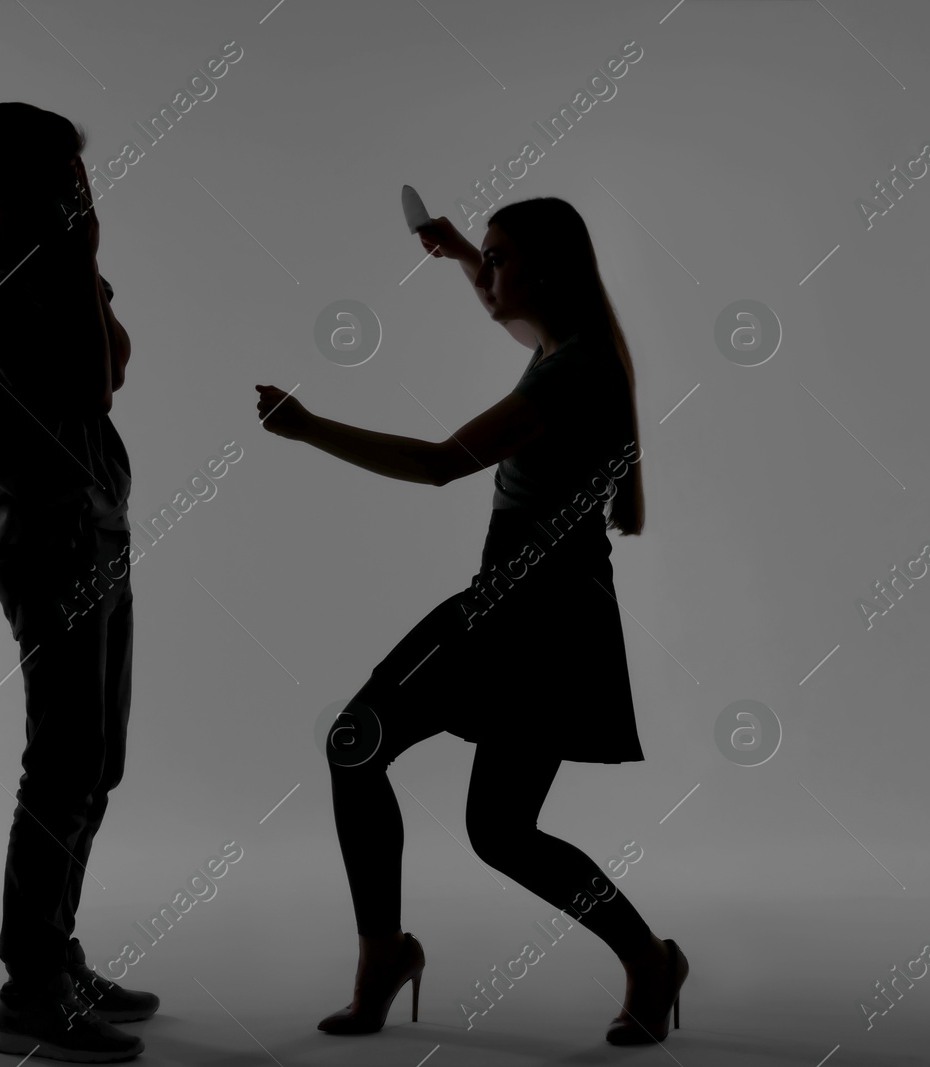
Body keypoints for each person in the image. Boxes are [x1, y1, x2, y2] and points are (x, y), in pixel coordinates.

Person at [255, 197, 689, 1046]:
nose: (486, 275)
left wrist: (306, 428)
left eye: (499, 258)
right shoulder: (567, 349)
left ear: (547, 271)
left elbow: (440, 464)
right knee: (480, 817)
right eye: (483, 258)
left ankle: (647, 959)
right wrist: (459, 253)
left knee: (406, 773)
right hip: (533, 603)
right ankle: (397, 955)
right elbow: (512, 319)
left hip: (539, 614)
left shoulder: (570, 373)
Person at [0, 101, 156, 1063]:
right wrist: (82, 256)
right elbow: (96, 386)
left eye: (80, 176)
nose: (79, 194)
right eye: (61, 178)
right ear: (4, 186)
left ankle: (56, 956)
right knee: (61, 764)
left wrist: (82, 262)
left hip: (97, 529)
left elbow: (115, 356)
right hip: (50, 545)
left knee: (95, 762)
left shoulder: (52, 265)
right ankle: (29, 990)